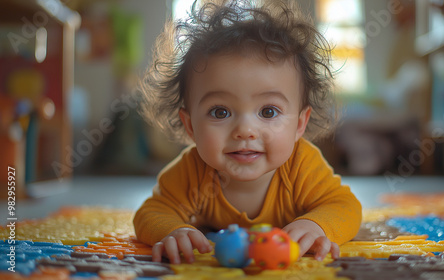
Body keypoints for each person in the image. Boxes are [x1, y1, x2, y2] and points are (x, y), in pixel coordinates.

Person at [134, 0, 362, 264]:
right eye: (220, 112)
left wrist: (317, 225)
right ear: (190, 125)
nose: (245, 131)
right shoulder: (193, 170)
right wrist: (173, 231)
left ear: (300, 124)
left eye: (268, 112)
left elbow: (345, 206)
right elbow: (152, 211)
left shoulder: (301, 165)